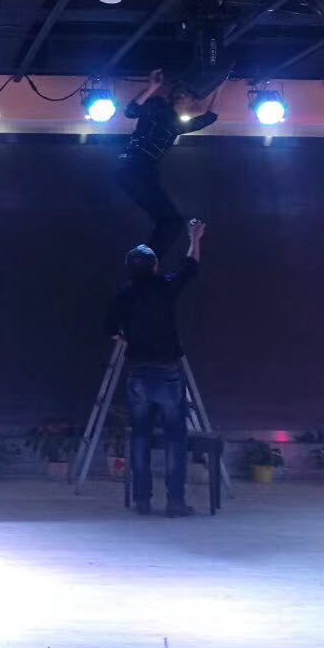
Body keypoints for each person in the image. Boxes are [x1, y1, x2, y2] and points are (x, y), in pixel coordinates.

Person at [105, 218, 205, 517]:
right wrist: (195, 237)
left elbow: (110, 330)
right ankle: (175, 501)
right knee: (175, 438)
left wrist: (130, 339)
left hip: (138, 371)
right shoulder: (166, 287)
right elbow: (190, 266)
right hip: (168, 371)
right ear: (155, 267)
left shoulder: (123, 294)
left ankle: (142, 500)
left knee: (140, 437)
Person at [117, 70, 217, 257]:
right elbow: (131, 111)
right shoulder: (158, 105)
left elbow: (208, 118)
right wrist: (152, 87)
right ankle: (146, 262)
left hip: (145, 173)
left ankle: (146, 261)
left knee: (171, 222)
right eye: (178, 92)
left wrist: (220, 84)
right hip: (134, 167)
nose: (181, 96)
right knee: (171, 222)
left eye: (185, 94)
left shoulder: (178, 125)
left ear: (191, 102)